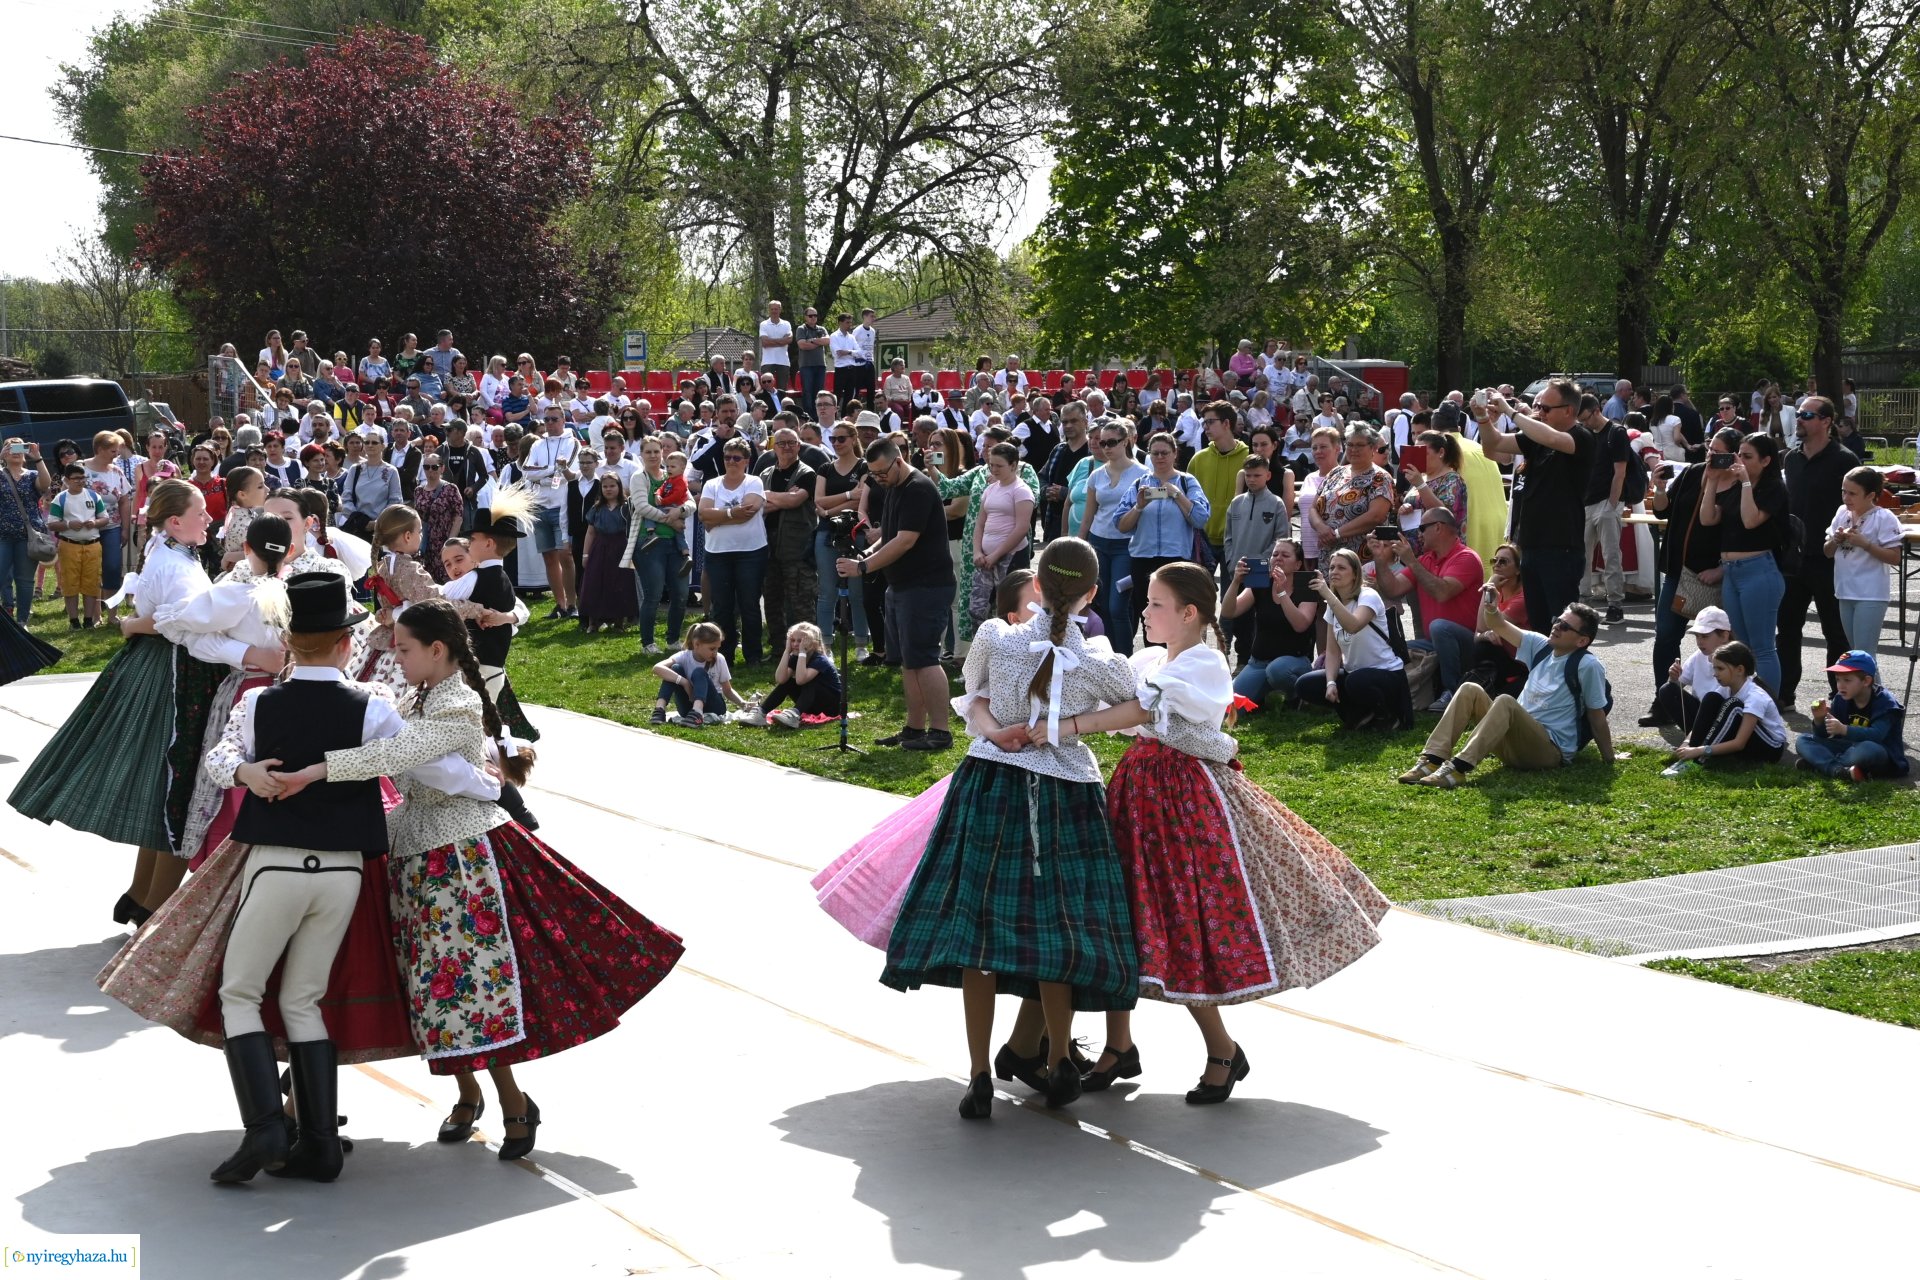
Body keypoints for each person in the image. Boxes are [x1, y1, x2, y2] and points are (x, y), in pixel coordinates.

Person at [280, 598, 684, 1161]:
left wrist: (319, 768)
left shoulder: (460, 700)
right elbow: (411, 759)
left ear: (436, 650)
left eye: (403, 648)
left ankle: (511, 1100)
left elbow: (406, 752)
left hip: (464, 857)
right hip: (416, 854)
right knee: (435, 987)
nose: (394, 658)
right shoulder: (417, 694)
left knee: (471, 985)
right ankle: (470, 1094)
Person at [1062, 562, 1389, 1101]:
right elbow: (1121, 697)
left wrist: (1076, 719)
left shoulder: (1205, 664)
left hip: (1185, 801)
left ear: (1189, 613)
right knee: (1124, 915)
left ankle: (1222, 1049)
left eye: (1157, 604)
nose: (1145, 612)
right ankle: (1118, 1046)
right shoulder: (1149, 659)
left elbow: (1142, 704)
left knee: (1183, 920)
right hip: (1137, 791)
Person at [881, 538, 1141, 1117]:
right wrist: (1068, 729)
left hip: (990, 782)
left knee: (979, 928)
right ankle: (1056, 1061)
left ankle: (978, 1073)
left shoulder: (997, 637)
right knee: (1056, 928)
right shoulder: (1101, 661)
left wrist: (998, 732)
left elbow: (971, 698)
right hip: (1066, 793)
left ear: (1038, 587)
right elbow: (1139, 713)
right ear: (1092, 596)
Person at [9, 480, 284, 925]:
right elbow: (185, 628)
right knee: (177, 790)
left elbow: (170, 617)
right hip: (176, 675)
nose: (209, 517)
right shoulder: (176, 564)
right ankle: (153, 909)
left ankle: (142, 896)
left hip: (162, 667)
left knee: (166, 790)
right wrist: (245, 652)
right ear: (175, 521)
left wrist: (134, 625)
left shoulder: (169, 548)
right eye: (200, 512)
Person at [1402, 600, 1615, 789]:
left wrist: (1610, 759)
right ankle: (1431, 761)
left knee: (1505, 701)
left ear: (1581, 641)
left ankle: (1458, 768)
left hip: (1547, 752)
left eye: (1565, 626)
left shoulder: (1587, 665)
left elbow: (1596, 714)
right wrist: (1492, 607)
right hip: (1513, 743)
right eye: (1557, 620)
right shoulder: (1541, 646)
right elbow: (1498, 625)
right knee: (1470, 689)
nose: (1556, 627)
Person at [837, 436, 956, 751]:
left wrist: (864, 568)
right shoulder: (892, 487)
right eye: (873, 475)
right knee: (907, 660)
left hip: (926, 587)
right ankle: (915, 728)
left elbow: (904, 541)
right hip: (901, 586)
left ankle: (941, 732)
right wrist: (865, 557)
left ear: (899, 460)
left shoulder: (917, 488)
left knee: (925, 659)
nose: (878, 479)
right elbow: (888, 537)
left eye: (882, 472)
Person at [1479, 383, 1597, 633]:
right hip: (1531, 546)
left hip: (1561, 548)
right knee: (1538, 627)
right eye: (1538, 407)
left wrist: (1511, 412)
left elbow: (1553, 438)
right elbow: (1493, 446)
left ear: (1568, 410)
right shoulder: (1537, 438)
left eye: (1545, 408)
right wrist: (1483, 419)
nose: (1540, 412)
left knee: (1563, 627)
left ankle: (1567, 672)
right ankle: (1540, 673)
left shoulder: (1582, 437)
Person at [1777, 395, 1859, 703]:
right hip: (1793, 560)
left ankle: (1839, 697)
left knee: (1835, 633)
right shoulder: (1791, 459)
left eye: (1807, 415)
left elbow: (1859, 506)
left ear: (1826, 421)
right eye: (1798, 414)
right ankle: (1784, 693)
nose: (1799, 419)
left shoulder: (1845, 460)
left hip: (1830, 558)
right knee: (1787, 629)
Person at [1368, 507, 1485, 710]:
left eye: (1422, 528)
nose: (1418, 534)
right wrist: (1379, 558)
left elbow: (1442, 593)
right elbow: (1392, 590)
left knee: (1440, 627)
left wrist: (1411, 561)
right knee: (1395, 647)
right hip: (1434, 643)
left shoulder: (1466, 557)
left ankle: (1452, 691)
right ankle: (1385, 693)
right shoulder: (1425, 560)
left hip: (1466, 644)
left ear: (1438, 527)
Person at [1699, 432, 1789, 694]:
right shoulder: (1737, 484)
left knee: (1762, 647)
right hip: (1732, 573)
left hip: (1759, 571)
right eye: (1739, 454)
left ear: (1766, 460)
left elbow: (1751, 521)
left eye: (1747, 456)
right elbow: (1707, 518)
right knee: (1743, 647)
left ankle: (1768, 707)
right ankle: (1746, 704)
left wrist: (1747, 483)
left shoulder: (1773, 487)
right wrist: (1713, 481)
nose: (1740, 460)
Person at [1295, 547, 1412, 729]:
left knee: (1356, 680)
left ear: (1355, 574)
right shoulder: (1333, 605)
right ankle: (1360, 714)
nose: (1334, 571)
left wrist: (1327, 594)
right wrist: (1331, 683)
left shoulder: (1368, 596)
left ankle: (1388, 716)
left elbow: (1353, 625)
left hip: (1387, 674)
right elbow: (1333, 652)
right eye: (1332, 567)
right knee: (1305, 684)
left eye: (1341, 568)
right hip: (1355, 674)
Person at [1115, 432, 1211, 643]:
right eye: (1155, 453)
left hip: (1176, 560)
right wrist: (1139, 507)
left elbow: (1201, 518)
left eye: (1165, 453)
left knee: (1178, 616)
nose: (1160, 458)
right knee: (1148, 616)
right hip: (1143, 560)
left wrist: (1177, 495)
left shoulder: (1187, 482)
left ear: (1175, 453)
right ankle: (1153, 662)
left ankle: (1177, 662)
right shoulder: (1140, 483)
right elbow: (1121, 524)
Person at [1660, 640, 1787, 776]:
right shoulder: (1725, 689)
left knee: (1734, 706)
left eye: (1720, 668)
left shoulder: (1755, 696)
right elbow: (1704, 717)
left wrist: (1700, 750)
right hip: (1749, 743)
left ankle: (1697, 761)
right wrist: (1687, 744)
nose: (1715, 673)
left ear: (1740, 670)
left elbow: (1739, 743)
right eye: (1714, 668)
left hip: (1771, 749)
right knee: (1711, 698)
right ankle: (1689, 755)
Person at [1076, 419, 1149, 651]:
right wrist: (1078, 543)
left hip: (1127, 545)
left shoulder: (1143, 473)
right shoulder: (1096, 475)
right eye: (1101, 442)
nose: (1106, 447)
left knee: (1118, 607)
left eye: (1112, 442)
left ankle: (1125, 660)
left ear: (1126, 441)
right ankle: (1107, 657)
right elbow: (1088, 515)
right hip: (1098, 543)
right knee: (1103, 605)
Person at [1222, 538, 1318, 710]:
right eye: (1275, 554)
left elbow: (1300, 625)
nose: (1278, 558)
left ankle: (1295, 695)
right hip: (1259, 662)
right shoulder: (1261, 582)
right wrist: (1236, 581)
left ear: (1297, 565)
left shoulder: (1306, 586)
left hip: (1294, 661)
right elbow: (1229, 612)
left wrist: (1282, 592)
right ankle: (1264, 694)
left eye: (1285, 555)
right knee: (1232, 708)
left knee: (1277, 671)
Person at [699, 438, 769, 665]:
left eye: (736, 458)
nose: (731, 462)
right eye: (727, 457)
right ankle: (723, 655)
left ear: (746, 461)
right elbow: (703, 515)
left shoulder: (754, 482)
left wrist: (716, 518)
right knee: (722, 606)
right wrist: (731, 514)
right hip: (718, 553)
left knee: (749, 604)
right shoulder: (712, 484)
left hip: (751, 552)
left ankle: (753, 655)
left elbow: (748, 511)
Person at [1795, 650, 1909, 780]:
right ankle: (1837, 770)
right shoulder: (1840, 698)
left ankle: (1820, 763)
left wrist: (1844, 729)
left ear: (1866, 681)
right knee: (1803, 740)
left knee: (1869, 749)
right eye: (1838, 679)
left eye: (1847, 680)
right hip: (1847, 748)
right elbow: (1825, 736)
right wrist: (1819, 720)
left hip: (1879, 753)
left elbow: (1877, 735)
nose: (1840, 685)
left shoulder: (1885, 702)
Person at [1824, 465, 1903, 653]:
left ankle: (1872, 684)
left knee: (1864, 655)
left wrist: (1866, 544)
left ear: (1870, 495)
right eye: (1844, 491)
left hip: (1870, 594)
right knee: (1857, 654)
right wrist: (1835, 540)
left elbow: (1895, 557)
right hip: (1845, 591)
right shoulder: (1842, 512)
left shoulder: (1884, 517)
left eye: (1852, 493)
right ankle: (1872, 684)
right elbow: (1827, 552)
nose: (1846, 498)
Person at [811, 417, 871, 657]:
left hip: (855, 532)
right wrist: (846, 495)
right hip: (827, 533)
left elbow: (860, 502)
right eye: (833, 439)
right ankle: (824, 644)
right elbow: (817, 500)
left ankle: (861, 644)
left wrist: (829, 511)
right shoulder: (825, 468)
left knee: (857, 592)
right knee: (826, 591)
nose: (836, 443)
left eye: (841, 439)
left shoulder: (864, 467)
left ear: (853, 439)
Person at [756, 427, 819, 652]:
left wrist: (770, 498)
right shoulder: (765, 475)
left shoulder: (807, 473)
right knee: (772, 600)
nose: (786, 447)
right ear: (774, 447)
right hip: (769, 545)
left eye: (792, 442)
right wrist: (782, 497)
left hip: (797, 547)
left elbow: (794, 501)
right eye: (781, 443)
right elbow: (758, 505)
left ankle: (808, 650)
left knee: (801, 601)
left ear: (799, 446)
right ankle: (778, 649)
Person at [968, 443, 1035, 622]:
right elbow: (980, 523)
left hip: (1010, 556)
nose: (994, 469)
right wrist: (977, 551)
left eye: (999, 465)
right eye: (991, 465)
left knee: (1008, 610)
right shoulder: (990, 489)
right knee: (977, 609)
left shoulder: (1021, 491)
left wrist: (996, 555)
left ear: (1013, 465)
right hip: (985, 558)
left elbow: (1021, 528)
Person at [1579, 397, 1632, 623]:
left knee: (1611, 554)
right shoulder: (1587, 434)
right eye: (1581, 421)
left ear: (1596, 411)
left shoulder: (1616, 432)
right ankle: (1581, 602)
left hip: (1607, 502)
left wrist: (1612, 505)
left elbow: (1620, 472)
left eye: (1586, 418)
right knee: (1581, 555)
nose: (1585, 424)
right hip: (1586, 501)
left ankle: (1615, 604)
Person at [1644, 606, 1733, 735]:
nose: (1699, 641)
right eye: (1697, 636)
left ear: (1724, 635)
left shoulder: (1735, 657)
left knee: (1711, 699)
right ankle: (1695, 736)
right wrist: (1673, 678)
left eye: (1705, 636)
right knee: (1666, 690)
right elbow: (1676, 686)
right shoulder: (1699, 655)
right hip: (1702, 711)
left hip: (1724, 715)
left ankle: (1700, 739)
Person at [744, 621, 843, 728]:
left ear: (813, 643)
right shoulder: (795, 657)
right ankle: (761, 712)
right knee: (788, 681)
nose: (795, 644)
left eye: (800, 641)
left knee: (809, 681)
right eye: (792, 640)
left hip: (830, 707)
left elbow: (801, 680)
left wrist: (802, 653)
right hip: (811, 705)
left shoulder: (820, 660)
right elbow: (780, 679)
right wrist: (787, 651)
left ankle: (795, 714)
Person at [1187, 403, 1250, 570]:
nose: (1205, 427)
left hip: (1236, 539)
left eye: (1210, 422)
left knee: (1232, 595)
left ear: (1226, 423)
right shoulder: (1198, 459)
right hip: (1203, 539)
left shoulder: (1249, 458)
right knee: (1200, 594)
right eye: (1204, 423)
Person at [651, 620, 750, 725]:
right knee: (674, 669)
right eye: (712, 649)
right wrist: (684, 682)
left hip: (714, 706)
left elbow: (727, 690)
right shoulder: (684, 656)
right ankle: (659, 710)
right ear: (697, 644)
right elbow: (657, 667)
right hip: (688, 706)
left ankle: (697, 712)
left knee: (699, 672)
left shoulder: (719, 659)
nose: (715, 653)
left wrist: (743, 703)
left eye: (717, 648)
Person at [48, 464, 109, 628]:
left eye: (83, 478)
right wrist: (68, 524)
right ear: (67, 480)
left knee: (92, 582)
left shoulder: (93, 496)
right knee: (70, 582)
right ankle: (74, 621)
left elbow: (105, 518)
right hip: (69, 545)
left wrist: (95, 522)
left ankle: (88, 620)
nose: (81, 481)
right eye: (76, 478)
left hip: (93, 545)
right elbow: (52, 524)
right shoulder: (60, 498)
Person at [578, 472, 639, 633]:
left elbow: (634, 529)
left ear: (619, 487)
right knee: (595, 582)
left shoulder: (626, 507)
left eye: (612, 486)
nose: (609, 489)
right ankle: (593, 621)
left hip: (621, 547)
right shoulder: (597, 508)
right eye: (605, 486)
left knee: (620, 583)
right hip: (600, 547)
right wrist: (585, 554)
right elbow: (590, 532)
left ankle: (619, 621)